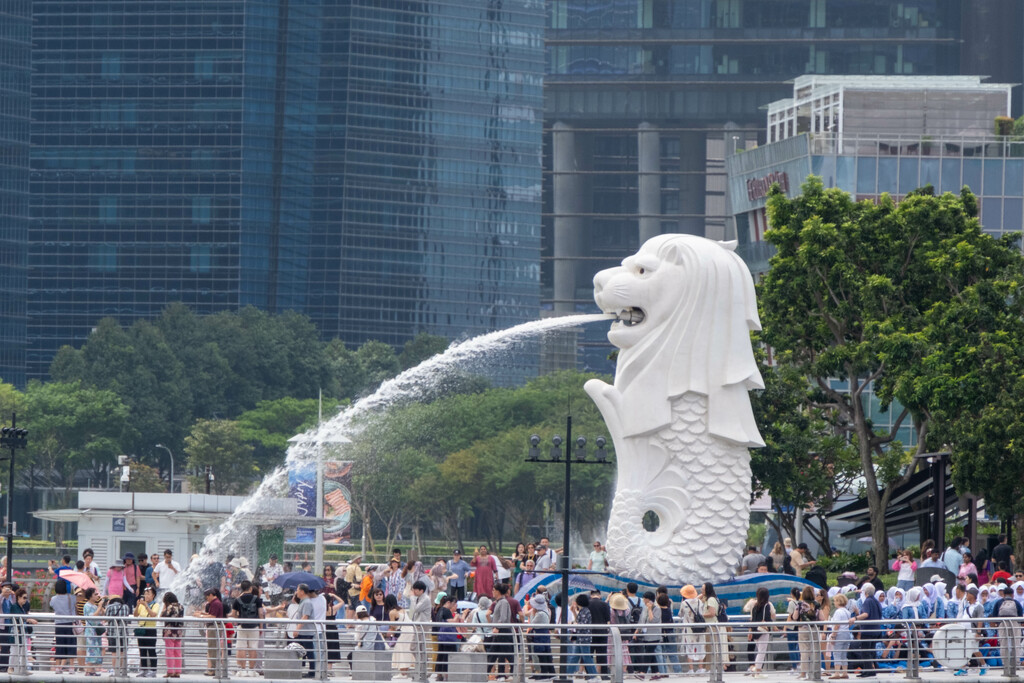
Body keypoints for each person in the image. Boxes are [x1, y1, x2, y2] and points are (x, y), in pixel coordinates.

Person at [230, 580, 264, 676]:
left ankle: (243, 670)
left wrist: (239, 618)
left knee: (241, 648)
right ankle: (252, 670)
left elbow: (233, 614)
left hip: (242, 626)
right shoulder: (257, 599)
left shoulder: (237, 600)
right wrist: (260, 626)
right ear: (251, 588)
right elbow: (261, 613)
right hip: (254, 626)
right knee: (253, 648)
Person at [567, 593, 599, 681]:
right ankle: (568, 674)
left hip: (584, 638)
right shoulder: (583, 610)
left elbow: (582, 624)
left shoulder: (585, 611)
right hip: (580, 637)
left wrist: (573, 623)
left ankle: (594, 676)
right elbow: (579, 620)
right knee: (575, 656)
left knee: (586, 657)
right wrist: (573, 612)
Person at [789, 586, 817, 680]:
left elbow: (795, 617)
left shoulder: (800, 604)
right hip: (814, 629)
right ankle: (814, 672)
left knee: (804, 650)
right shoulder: (816, 604)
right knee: (814, 650)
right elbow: (821, 618)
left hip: (803, 629)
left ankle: (803, 673)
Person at [49, 579, 77, 674]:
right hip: (69, 624)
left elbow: (51, 605)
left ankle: (58, 667)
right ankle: (71, 668)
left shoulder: (53, 599)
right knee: (71, 644)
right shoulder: (71, 598)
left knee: (59, 644)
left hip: (58, 624)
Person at [288, 584, 316, 678]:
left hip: (306, 632)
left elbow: (305, 616)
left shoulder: (307, 602)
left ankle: (312, 672)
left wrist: (297, 629)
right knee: (301, 652)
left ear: (302, 591)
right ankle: (301, 669)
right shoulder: (303, 602)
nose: (296, 592)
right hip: (303, 632)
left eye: (297, 590)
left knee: (309, 652)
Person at [747, 586, 776, 676]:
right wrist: (773, 625)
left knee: (759, 650)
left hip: (755, 630)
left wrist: (751, 631)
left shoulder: (755, 606)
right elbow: (767, 618)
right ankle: (757, 671)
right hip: (763, 630)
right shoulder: (767, 605)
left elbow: (753, 619)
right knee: (762, 652)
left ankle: (756, 669)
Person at [489, 583, 516, 680]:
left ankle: (514, 672)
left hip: (502, 631)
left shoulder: (503, 602)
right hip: (500, 631)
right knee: (493, 654)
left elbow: (503, 617)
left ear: (498, 591)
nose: (492, 592)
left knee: (506, 653)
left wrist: (497, 627)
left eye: (493, 590)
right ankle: (484, 673)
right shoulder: (499, 602)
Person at [196, 588, 225, 676]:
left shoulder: (216, 603)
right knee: (212, 647)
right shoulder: (216, 602)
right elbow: (211, 614)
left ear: (211, 595)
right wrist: (202, 613)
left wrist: (200, 616)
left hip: (214, 627)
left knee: (212, 648)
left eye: (207, 597)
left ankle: (213, 669)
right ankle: (213, 668)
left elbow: (212, 616)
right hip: (214, 626)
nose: (206, 599)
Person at [132, 586, 159, 677]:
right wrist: (137, 605)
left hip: (150, 630)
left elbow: (153, 615)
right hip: (141, 629)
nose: (146, 596)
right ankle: (143, 669)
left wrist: (146, 606)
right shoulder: (141, 605)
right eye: (145, 594)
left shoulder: (155, 605)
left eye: (149, 594)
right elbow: (135, 615)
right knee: (142, 650)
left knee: (151, 650)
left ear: (153, 595)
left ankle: (153, 670)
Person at [678, 585, 705, 674]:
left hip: (689, 628)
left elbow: (680, 614)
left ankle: (691, 669)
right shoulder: (699, 602)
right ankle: (700, 668)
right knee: (700, 646)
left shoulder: (684, 603)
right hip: (699, 628)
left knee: (689, 647)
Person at [526, 593, 554, 679]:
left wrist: (532, 614)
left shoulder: (540, 614)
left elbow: (532, 624)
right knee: (546, 654)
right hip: (544, 634)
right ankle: (551, 673)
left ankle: (545, 673)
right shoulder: (546, 611)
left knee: (542, 654)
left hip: (540, 635)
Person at [385, 593, 414, 675]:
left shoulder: (392, 612)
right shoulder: (402, 609)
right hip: (410, 630)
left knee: (401, 651)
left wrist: (390, 633)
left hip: (403, 632)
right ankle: (405, 672)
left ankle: (403, 673)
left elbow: (393, 626)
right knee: (406, 651)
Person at [433, 594, 459, 681]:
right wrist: (457, 616)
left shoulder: (439, 609)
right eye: (454, 603)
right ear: (449, 602)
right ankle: (447, 676)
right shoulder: (446, 611)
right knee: (448, 656)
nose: (455, 605)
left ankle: (439, 675)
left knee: (441, 655)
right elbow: (453, 622)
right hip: (448, 637)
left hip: (441, 636)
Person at [160, 591, 184, 678]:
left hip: (169, 632)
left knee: (169, 652)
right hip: (178, 632)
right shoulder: (181, 606)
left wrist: (164, 607)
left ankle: (170, 671)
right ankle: (177, 671)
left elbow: (162, 616)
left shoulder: (169, 607)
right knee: (177, 652)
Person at [830, 594, 853, 680]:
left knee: (837, 653)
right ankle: (844, 672)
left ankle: (836, 672)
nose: (834, 603)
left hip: (839, 634)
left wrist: (833, 635)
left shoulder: (838, 612)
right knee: (843, 654)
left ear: (839, 602)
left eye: (835, 601)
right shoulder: (847, 612)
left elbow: (837, 625)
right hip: (846, 633)